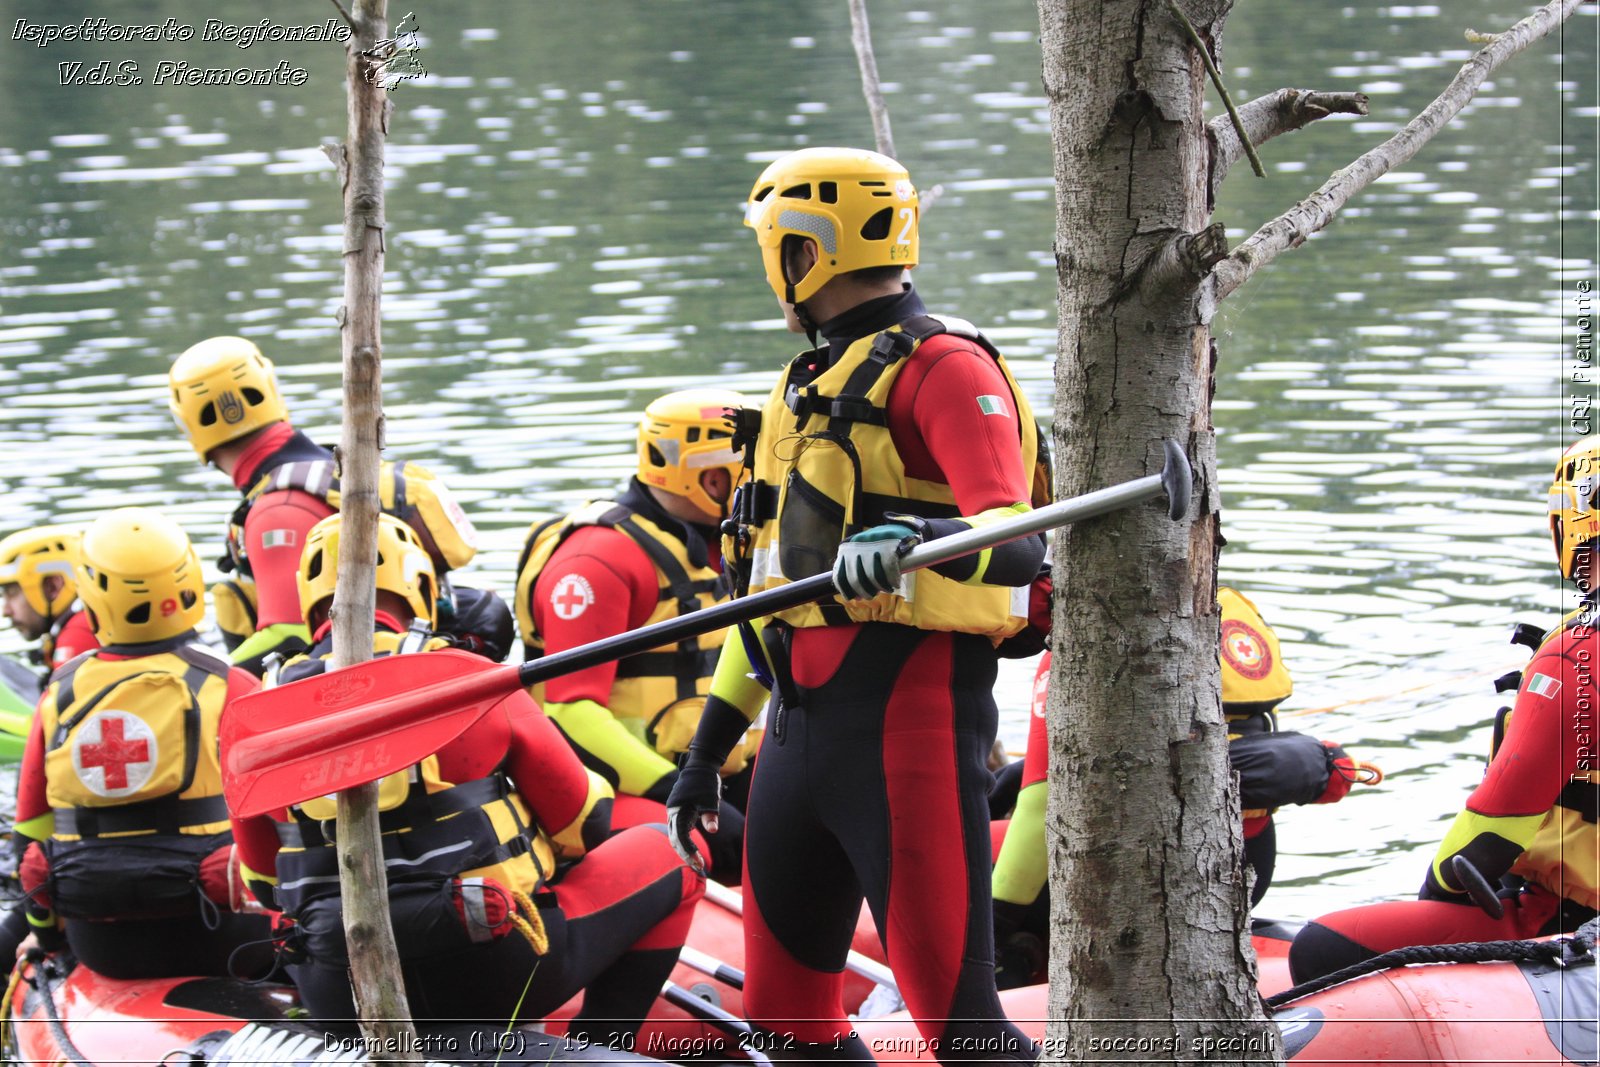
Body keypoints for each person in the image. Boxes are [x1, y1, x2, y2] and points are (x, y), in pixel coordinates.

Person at [666, 147, 1047, 1063]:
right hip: (795, 743)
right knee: (790, 1029)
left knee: (966, 1032)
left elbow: (1025, 543)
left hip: (907, 728)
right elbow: (768, 600)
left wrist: (914, 530)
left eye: (775, 245)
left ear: (804, 250)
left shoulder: (947, 368)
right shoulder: (802, 388)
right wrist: (706, 756)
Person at [230, 513, 705, 1042]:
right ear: (422, 585)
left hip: (339, 989)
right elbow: (584, 823)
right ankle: (600, 1045)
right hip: (495, 970)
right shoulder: (469, 677)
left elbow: (264, 884)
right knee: (672, 851)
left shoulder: (253, 712)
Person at [1288, 438, 1600, 983]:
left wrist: (1439, 893)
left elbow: (1497, 823)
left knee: (1320, 948)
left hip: (1574, 925)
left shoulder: (1577, 655)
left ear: (1571, 520)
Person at [989, 589, 1380, 989]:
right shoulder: (1212, 615)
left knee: (960, 851)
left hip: (1137, 879)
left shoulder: (1078, 652)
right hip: (1247, 867)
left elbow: (1040, 813)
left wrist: (995, 926)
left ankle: (1016, 965)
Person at [12, 508, 274, 980]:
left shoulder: (58, 694)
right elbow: (280, 817)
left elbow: (29, 829)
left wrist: (47, 938)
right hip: (224, 938)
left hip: (102, 947)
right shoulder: (231, 685)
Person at [514, 388, 760, 880]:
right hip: (615, 786)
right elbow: (570, 711)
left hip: (709, 767)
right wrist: (678, 786)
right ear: (710, 478)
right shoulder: (599, 559)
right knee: (724, 846)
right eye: (748, 474)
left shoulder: (724, 541)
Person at [166, 336, 490, 676]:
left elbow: (288, 635)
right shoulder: (329, 469)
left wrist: (206, 683)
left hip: (376, 676)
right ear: (269, 389)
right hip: (414, 658)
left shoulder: (278, 509)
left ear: (187, 423)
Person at [0, 525, 98, 680]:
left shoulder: (79, 633)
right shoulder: (90, 618)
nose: (6, 611)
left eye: (12, 593)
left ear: (53, 586)